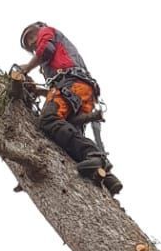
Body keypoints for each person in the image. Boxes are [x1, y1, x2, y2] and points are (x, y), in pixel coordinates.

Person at [15, 24, 122, 193]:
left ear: (39, 29)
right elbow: (60, 84)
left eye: (31, 36)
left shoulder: (47, 32)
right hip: (80, 90)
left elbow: (46, 50)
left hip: (73, 85)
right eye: (28, 42)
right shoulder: (51, 64)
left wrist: (26, 68)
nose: (32, 41)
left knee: (48, 120)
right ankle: (106, 177)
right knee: (68, 136)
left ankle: (94, 154)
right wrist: (39, 91)